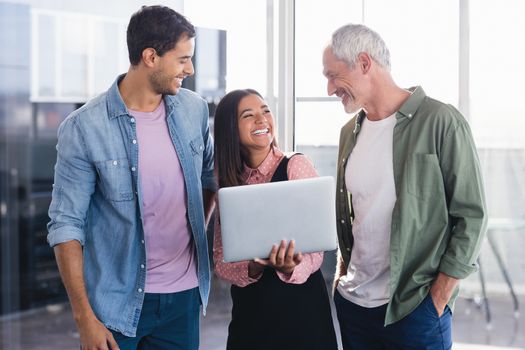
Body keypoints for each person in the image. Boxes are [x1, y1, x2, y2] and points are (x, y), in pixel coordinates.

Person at [47, 6, 216, 350]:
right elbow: (66, 225)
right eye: (182, 59)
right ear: (150, 56)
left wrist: (195, 238)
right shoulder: (84, 128)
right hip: (115, 305)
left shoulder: (194, 110)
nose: (191, 69)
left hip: (183, 299)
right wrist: (84, 319)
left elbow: (208, 178)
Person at [322, 24, 487, 349]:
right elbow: (354, 216)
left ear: (365, 63)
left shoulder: (441, 121)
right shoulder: (348, 133)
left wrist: (438, 297)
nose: (329, 89)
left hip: (415, 310)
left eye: (333, 76)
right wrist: (341, 277)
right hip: (354, 307)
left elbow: (472, 215)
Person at [212, 89, 338, 350]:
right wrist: (254, 268)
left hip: (303, 315)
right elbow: (221, 261)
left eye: (266, 111)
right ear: (230, 129)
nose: (262, 120)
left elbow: (316, 252)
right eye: (249, 115)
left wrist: (290, 268)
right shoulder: (228, 184)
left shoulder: (296, 166)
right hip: (251, 319)